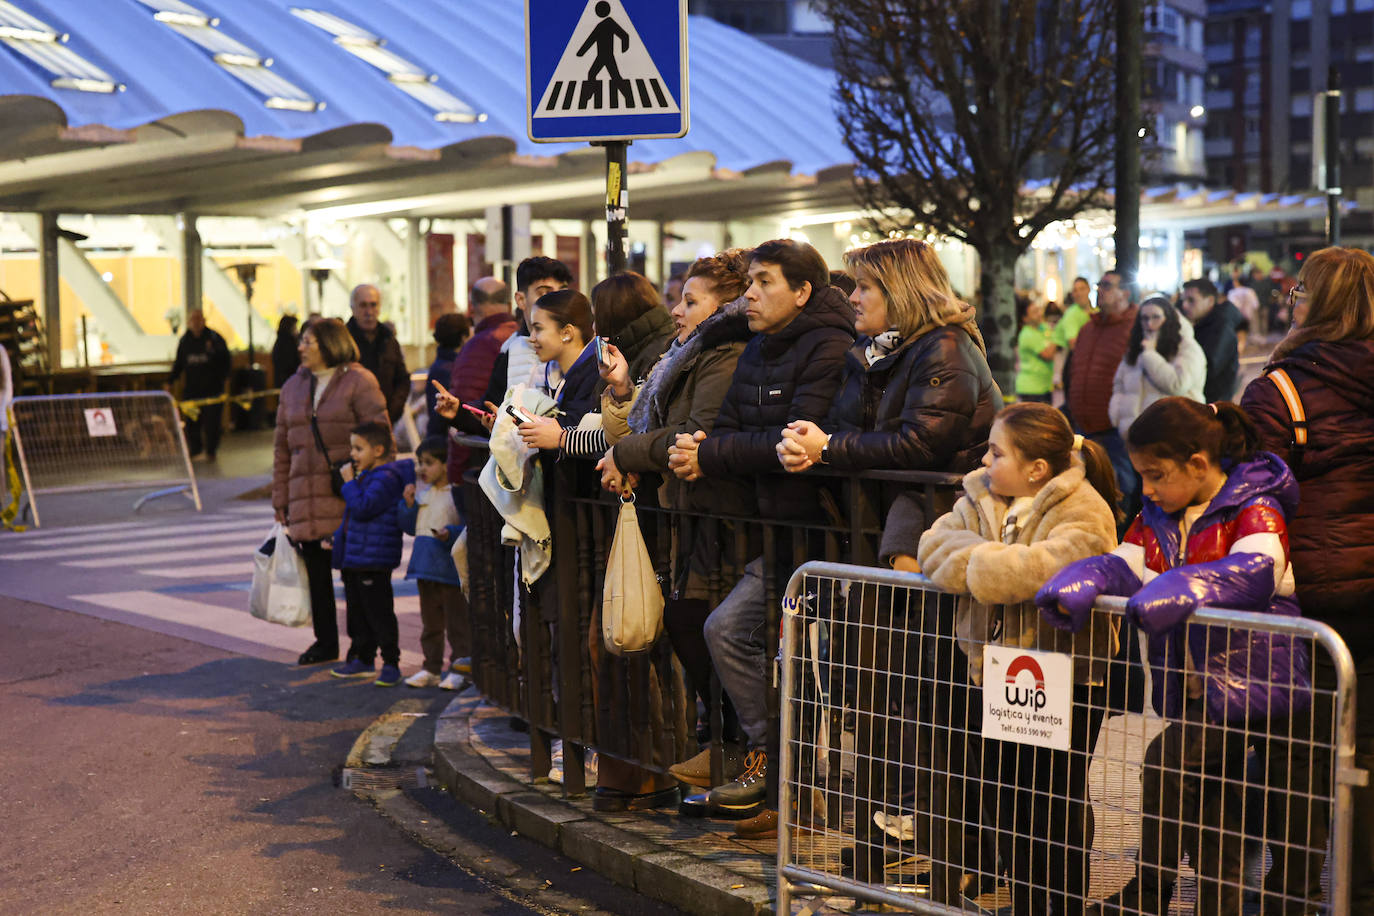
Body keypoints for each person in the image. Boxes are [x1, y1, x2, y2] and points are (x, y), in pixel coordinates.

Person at [1037, 398, 1306, 915]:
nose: (1148, 489)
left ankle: (1149, 892)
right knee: (1214, 804)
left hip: (1247, 680)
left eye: (1156, 475)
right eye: (1143, 476)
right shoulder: (1160, 514)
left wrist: (1186, 585)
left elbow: (1258, 569)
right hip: (1191, 679)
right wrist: (1088, 576)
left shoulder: (1255, 504)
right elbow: (1126, 562)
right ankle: (1212, 903)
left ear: (1199, 464)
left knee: (1167, 765)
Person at [667, 239, 855, 833]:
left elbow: (789, 440)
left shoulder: (831, 345)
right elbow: (735, 431)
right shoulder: (756, 347)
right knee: (726, 630)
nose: (749, 293)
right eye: (749, 281)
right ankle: (777, 771)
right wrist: (717, 450)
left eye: (764, 282)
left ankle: (804, 793)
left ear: (801, 292)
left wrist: (716, 454)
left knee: (830, 671)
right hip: (775, 534)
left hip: (827, 535)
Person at [918, 402, 1121, 916]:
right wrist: (999, 570)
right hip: (992, 673)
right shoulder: (978, 495)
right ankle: (1026, 905)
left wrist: (978, 566)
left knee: (1053, 807)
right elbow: (934, 546)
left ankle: (1063, 907)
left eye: (996, 451)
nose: (986, 461)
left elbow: (1053, 567)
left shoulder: (1084, 506)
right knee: (1006, 804)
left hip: (1067, 678)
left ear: (1037, 468)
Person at [1241, 245, 1374, 910]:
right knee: (1368, 751)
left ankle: (1291, 892)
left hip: (1312, 594)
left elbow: (1254, 494)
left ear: (1309, 301)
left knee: (1295, 754)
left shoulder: (1279, 389)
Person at [595, 250, 754, 790]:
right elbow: (655, 421)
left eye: (690, 300)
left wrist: (628, 455)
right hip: (689, 510)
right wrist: (622, 400)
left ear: (724, 305)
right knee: (693, 624)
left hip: (722, 513)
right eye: (678, 298)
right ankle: (728, 750)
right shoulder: (685, 351)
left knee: (706, 626)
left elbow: (696, 428)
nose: (677, 310)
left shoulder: (725, 350)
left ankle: (743, 755)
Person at [272, 317, 390, 667]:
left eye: (309, 341)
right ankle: (325, 642)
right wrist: (280, 496)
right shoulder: (293, 386)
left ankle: (362, 646)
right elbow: (281, 447)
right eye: (302, 341)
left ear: (330, 344)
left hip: (347, 493)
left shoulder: (359, 381)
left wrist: (375, 486)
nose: (301, 347)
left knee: (354, 575)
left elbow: (381, 438)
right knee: (317, 575)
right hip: (305, 492)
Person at [523, 272, 675, 459]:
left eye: (597, 317)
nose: (594, 327)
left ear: (614, 315)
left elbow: (637, 430)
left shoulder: (655, 355)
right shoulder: (630, 352)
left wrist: (562, 437)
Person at [328, 421, 413, 686]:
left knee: (379, 613)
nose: (353, 454)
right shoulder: (368, 477)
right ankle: (363, 660)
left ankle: (391, 663)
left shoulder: (386, 478)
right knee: (358, 613)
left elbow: (364, 507)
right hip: (357, 557)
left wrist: (347, 484)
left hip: (374, 559)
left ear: (378, 450)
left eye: (358, 448)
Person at [1067, 272, 1139, 521]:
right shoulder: (1089, 328)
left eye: (1107, 286)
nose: (1100, 290)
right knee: (1086, 493)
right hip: (1084, 425)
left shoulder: (1136, 327)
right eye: (1099, 285)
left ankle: (1121, 547)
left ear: (1125, 293)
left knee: (1121, 491)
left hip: (1116, 429)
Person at [399, 437, 470, 690]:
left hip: (449, 573)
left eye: (429, 463)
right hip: (424, 570)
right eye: (420, 463)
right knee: (430, 625)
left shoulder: (455, 494)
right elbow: (408, 527)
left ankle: (460, 668)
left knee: (456, 625)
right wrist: (407, 505)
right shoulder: (423, 494)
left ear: (445, 464)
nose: (422, 469)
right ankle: (431, 667)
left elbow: (465, 529)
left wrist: (450, 533)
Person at [442, 276, 515, 483]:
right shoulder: (520, 338)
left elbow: (468, 410)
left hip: (482, 467)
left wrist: (457, 474)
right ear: (510, 304)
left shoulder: (479, 346)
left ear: (472, 309)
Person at [1107, 294, 1205, 442]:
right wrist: (1118, 414)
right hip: (1136, 437)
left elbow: (1177, 384)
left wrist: (1150, 355)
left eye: (1156, 317)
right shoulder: (1137, 348)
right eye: (1144, 318)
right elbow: (1119, 385)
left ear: (1168, 318)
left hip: (1176, 435)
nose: (1149, 324)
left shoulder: (1187, 348)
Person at [484, 258, 574, 408]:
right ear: (520, 300)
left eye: (563, 292)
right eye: (545, 293)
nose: (558, 301)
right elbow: (492, 404)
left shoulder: (581, 347)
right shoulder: (510, 349)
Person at [167, 308, 230, 461]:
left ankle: (211, 451)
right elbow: (179, 363)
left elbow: (226, 360)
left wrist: (223, 377)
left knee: (212, 423)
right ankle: (195, 450)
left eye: (198, 319)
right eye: (192, 320)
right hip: (192, 390)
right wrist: (170, 381)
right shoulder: (185, 341)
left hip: (212, 390)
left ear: (203, 320)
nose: (195, 323)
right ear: (189, 322)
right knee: (192, 422)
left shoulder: (214, 338)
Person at [346, 284, 410, 424]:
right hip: (352, 422)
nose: (369, 311)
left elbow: (402, 379)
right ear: (353, 308)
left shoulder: (389, 340)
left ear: (379, 307)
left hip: (385, 419)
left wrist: (392, 412)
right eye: (363, 305)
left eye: (373, 305)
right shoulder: (344, 340)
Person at [1179, 278, 1243, 403]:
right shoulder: (1199, 323)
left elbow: (1209, 367)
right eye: (1183, 300)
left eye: (1191, 300)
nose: (1184, 305)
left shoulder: (1221, 327)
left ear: (1210, 301)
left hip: (1213, 404)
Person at [1052, 277, 1094, 421]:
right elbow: (1073, 344)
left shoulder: (1095, 312)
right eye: (1075, 290)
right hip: (1073, 365)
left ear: (1088, 289)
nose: (1078, 293)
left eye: (1081, 289)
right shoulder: (1072, 314)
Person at [424, 312, 471, 437]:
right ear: (463, 337)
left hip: (436, 434)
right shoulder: (457, 368)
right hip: (446, 438)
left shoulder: (438, 364)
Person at [1015, 296, 1057, 403]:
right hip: (1032, 390)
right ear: (1025, 318)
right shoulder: (1027, 334)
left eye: (1038, 310)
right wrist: (1057, 336)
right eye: (1034, 312)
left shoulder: (1042, 327)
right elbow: (1048, 355)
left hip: (1044, 386)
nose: (1039, 314)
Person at [271, 314, 300, 390]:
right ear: (290, 328)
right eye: (295, 327)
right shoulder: (289, 343)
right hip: (290, 383)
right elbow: (292, 364)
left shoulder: (279, 341)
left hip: (281, 383)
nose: (297, 330)